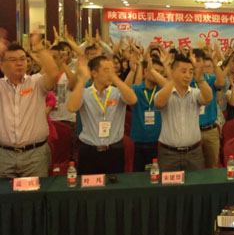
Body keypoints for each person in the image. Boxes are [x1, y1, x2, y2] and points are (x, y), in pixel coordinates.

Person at [0, 35, 60, 178]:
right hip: (4, 155)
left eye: (23, 59)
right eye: (13, 60)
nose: (19, 63)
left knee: (36, 192)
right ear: (2, 66)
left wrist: (39, 47)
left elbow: (53, 74)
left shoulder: (36, 82)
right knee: (5, 192)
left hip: (35, 155)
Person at [67, 55, 137, 174]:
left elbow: (133, 100)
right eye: (106, 70)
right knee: (90, 184)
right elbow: (71, 107)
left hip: (114, 150)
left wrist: (115, 79)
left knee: (115, 184)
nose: (110, 73)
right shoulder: (85, 93)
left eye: (112, 70)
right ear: (94, 73)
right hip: (89, 151)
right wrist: (82, 80)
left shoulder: (117, 92)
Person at [154, 55, 213, 171]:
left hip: (194, 152)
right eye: (183, 71)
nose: (188, 75)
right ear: (172, 71)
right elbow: (159, 103)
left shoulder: (195, 93)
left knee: (196, 181)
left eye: (191, 72)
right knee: (167, 182)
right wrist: (171, 80)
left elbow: (208, 98)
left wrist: (200, 79)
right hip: (169, 154)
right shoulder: (165, 93)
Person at [129, 58, 168, 171]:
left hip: (158, 141)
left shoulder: (162, 90)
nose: (157, 74)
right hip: (138, 141)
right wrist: (133, 71)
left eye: (160, 72)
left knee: (156, 174)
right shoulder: (137, 89)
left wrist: (154, 72)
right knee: (138, 175)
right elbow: (124, 90)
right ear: (145, 71)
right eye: (154, 70)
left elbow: (170, 87)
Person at [190, 48, 226, 169]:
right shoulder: (187, 80)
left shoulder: (209, 79)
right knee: (194, 166)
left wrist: (215, 64)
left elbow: (221, 83)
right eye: (194, 61)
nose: (197, 64)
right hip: (192, 131)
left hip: (210, 130)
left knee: (213, 166)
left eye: (199, 61)